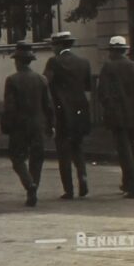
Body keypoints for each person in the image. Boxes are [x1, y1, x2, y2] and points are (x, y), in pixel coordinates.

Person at [96, 36, 134, 199]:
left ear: (113, 51)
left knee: (124, 151)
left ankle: (131, 185)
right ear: (125, 50)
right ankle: (127, 183)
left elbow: (102, 92)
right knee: (132, 149)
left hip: (117, 116)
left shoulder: (108, 67)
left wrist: (109, 108)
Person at [2, 42, 54, 206]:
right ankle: (33, 190)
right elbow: (48, 105)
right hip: (38, 124)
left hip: (19, 125)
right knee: (37, 158)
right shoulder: (41, 79)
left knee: (17, 158)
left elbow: (9, 106)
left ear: (17, 61)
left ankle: (29, 183)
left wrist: (6, 125)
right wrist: (51, 125)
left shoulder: (12, 80)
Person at [44, 31, 92, 199]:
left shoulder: (53, 62)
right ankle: (83, 176)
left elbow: (46, 84)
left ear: (58, 45)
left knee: (63, 151)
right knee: (78, 147)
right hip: (80, 111)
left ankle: (68, 189)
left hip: (62, 111)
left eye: (53, 45)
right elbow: (88, 87)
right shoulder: (84, 63)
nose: (52, 48)